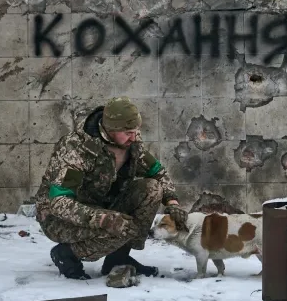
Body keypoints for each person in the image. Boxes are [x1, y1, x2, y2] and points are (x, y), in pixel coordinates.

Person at [33, 96, 189, 280]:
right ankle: (67, 254)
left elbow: (157, 172)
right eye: (128, 132)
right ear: (111, 129)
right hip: (60, 218)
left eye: (136, 131)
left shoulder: (130, 142)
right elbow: (59, 202)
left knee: (152, 189)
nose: (135, 136)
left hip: (102, 205)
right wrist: (103, 219)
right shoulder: (76, 149)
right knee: (121, 228)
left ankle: (118, 259)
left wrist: (172, 202)